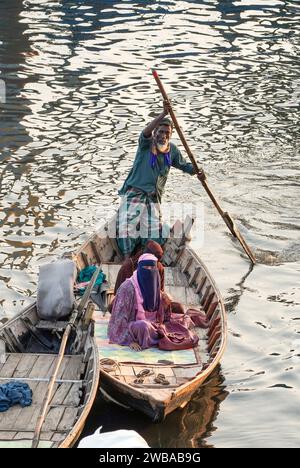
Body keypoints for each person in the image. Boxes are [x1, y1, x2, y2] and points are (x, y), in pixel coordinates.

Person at [116, 101, 205, 257]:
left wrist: (197, 171)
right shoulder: (146, 144)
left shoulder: (172, 151)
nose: (163, 136)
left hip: (153, 199)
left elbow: (185, 165)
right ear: (155, 131)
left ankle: (143, 253)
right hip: (135, 194)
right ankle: (126, 258)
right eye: (161, 131)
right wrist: (163, 114)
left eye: (167, 133)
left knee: (155, 235)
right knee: (126, 228)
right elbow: (145, 131)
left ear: (170, 135)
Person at [107, 254, 198, 351]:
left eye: (152, 267)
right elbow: (119, 319)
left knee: (181, 321)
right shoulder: (127, 288)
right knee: (144, 326)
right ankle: (154, 337)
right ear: (139, 268)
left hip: (155, 323)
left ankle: (157, 336)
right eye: (146, 267)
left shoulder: (155, 281)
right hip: (134, 325)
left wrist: (165, 302)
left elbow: (162, 315)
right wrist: (129, 341)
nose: (149, 270)